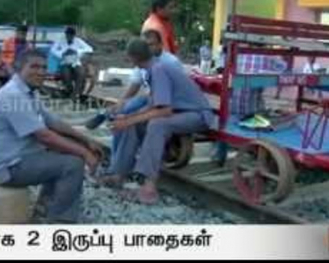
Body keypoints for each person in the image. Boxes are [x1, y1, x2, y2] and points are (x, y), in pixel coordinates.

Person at [0, 50, 104, 223]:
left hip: (20, 158)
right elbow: (44, 136)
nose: (41, 72)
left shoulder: (28, 91)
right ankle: (60, 220)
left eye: (44, 67)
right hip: (8, 168)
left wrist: (86, 140)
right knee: (73, 163)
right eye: (34, 66)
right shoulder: (13, 95)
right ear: (19, 68)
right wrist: (84, 153)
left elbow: (53, 122)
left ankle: (45, 207)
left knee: (67, 149)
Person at [98, 39, 213, 204]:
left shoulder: (158, 70)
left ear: (133, 58)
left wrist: (129, 120)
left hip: (196, 114)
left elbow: (164, 110)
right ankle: (119, 174)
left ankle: (149, 189)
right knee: (130, 121)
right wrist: (129, 118)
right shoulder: (156, 67)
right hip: (180, 112)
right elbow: (154, 103)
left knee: (158, 124)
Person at [84, 29, 184, 131]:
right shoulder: (144, 60)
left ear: (160, 45)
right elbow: (134, 85)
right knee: (123, 109)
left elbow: (175, 90)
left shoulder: (170, 62)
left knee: (130, 115)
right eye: (146, 45)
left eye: (152, 44)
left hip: (169, 101)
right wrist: (122, 102)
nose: (149, 48)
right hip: (151, 98)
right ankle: (106, 115)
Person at [50, 27, 94, 99]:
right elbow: (53, 50)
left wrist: (78, 51)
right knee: (66, 74)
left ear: (74, 36)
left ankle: (76, 93)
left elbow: (90, 49)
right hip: (65, 61)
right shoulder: (60, 40)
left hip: (75, 61)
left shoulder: (78, 41)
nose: (69, 37)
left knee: (81, 73)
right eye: (67, 35)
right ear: (66, 35)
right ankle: (69, 90)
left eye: (71, 36)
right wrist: (61, 53)